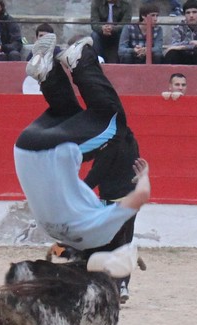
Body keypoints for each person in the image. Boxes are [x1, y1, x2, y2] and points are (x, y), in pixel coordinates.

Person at [15, 33, 151, 254]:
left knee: (113, 120)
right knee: (69, 114)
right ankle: (48, 73)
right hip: (24, 149)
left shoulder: (100, 230)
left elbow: (140, 197)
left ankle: (81, 60)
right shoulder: (59, 232)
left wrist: (144, 176)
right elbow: (66, 251)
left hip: (49, 152)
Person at [163, 0, 197, 65]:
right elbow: (174, 45)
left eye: (194, 12)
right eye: (188, 13)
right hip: (185, 56)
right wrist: (192, 43)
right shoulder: (179, 27)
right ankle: (173, 75)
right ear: (184, 15)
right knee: (172, 54)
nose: (191, 15)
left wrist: (184, 46)